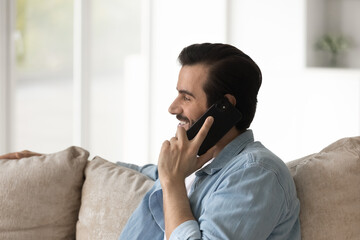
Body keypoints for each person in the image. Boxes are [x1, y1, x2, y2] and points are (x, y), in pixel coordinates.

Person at [1, 43, 301, 240]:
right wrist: (53, 162)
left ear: (224, 106)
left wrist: (172, 184)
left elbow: (167, 179)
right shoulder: (201, 165)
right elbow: (148, 172)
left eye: (186, 96)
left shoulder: (256, 174)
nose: (173, 107)